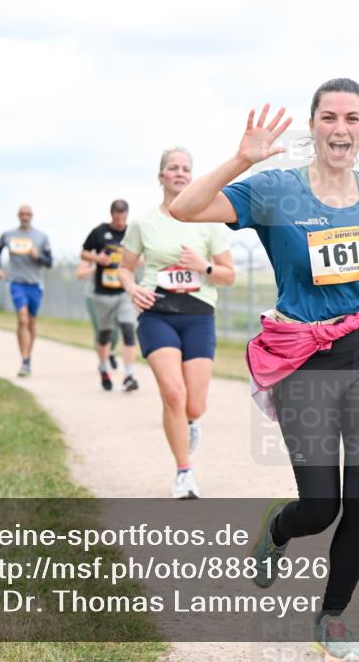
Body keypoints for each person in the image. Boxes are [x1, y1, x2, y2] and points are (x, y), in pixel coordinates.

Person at [169, 78, 359, 660]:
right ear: (313, 126)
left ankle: (333, 616)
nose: (340, 129)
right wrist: (242, 158)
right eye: (329, 117)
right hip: (303, 356)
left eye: (352, 118)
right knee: (321, 504)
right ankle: (280, 529)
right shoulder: (274, 190)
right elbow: (185, 208)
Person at [118, 148, 235, 500]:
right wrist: (132, 287)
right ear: (161, 176)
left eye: (186, 168)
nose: (180, 173)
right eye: (173, 168)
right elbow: (125, 268)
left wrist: (205, 266)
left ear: (191, 175)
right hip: (157, 313)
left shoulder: (209, 222)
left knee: (194, 405)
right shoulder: (142, 223)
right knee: (173, 393)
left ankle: (189, 424)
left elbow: (228, 276)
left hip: (199, 316)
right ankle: (184, 472)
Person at [81, 200, 139, 392]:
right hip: (103, 292)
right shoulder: (99, 232)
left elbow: (143, 255)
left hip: (125, 290)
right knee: (105, 333)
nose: (121, 223)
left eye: (124, 219)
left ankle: (130, 374)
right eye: (117, 219)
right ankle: (104, 367)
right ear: (111, 215)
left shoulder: (132, 233)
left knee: (128, 329)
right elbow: (84, 253)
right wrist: (98, 259)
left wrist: (133, 261)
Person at [0, 204, 53, 377]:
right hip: (16, 282)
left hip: (35, 284)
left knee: (31, 323)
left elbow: (49, 262)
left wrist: (38, 256)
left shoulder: (41, 237)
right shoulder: (8, 235)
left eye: (28, 214)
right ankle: (24, 360)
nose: (25, 217)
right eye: (22, 214)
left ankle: (28, 356)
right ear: (18, 215)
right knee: (22, 319)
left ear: (32, 216)